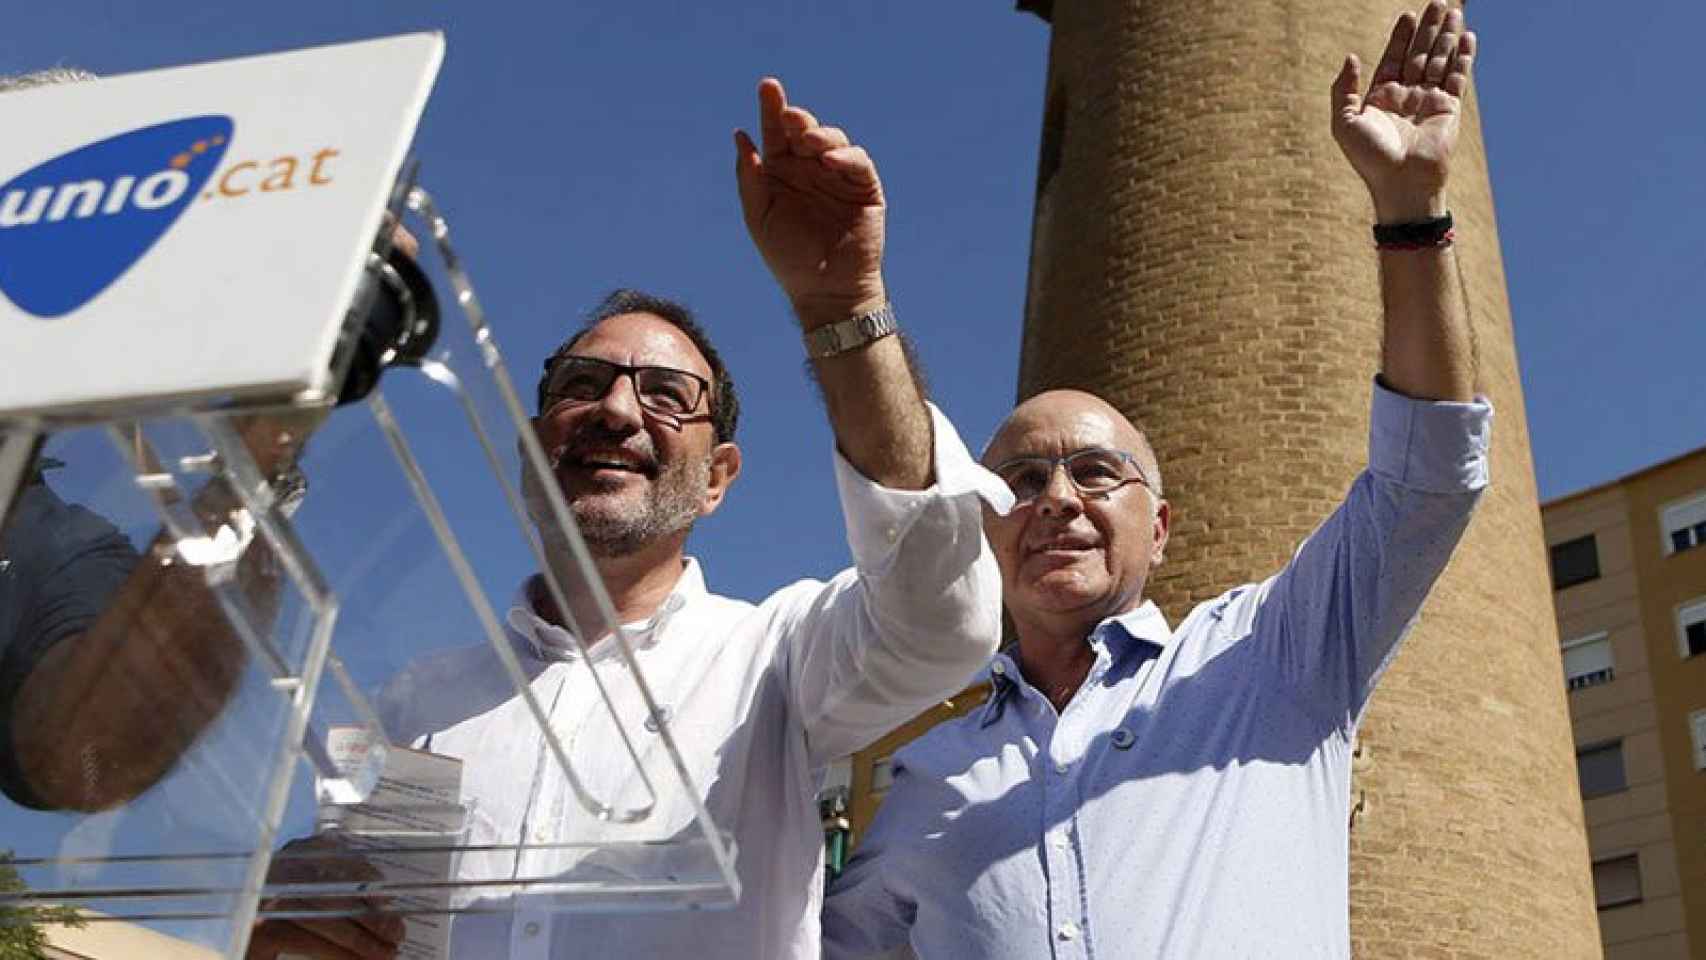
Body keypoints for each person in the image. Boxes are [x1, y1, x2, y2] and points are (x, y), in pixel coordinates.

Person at [247, 77, 1008, 960]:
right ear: (534, 447)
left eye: (666, 395)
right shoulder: (416, 702)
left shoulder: (780, 659)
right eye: (581, 384)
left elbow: (942, 619)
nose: (616, 410)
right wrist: (295, 928)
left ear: (718, 477)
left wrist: (841, 308)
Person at [822, 4, 1491, 957]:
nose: (1058, 498)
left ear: (1162, 526)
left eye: (1099, 473)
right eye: (1021, 478)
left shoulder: (1272, 661)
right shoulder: (929, 776)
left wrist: (1412, 212)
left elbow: (1428, 475)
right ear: (988, 531)